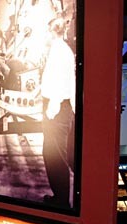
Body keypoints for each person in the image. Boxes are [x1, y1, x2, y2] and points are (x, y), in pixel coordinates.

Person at [40, 16, 76, 207]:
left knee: (55, 156)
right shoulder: (63, 50)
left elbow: (58, 82)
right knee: (54, 154)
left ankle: (61, 201)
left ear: (52, 30)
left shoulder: (59, 52)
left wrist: (51, 111)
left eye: (47, 31)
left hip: (56, 108)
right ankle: (60, 197)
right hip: (60, 108)